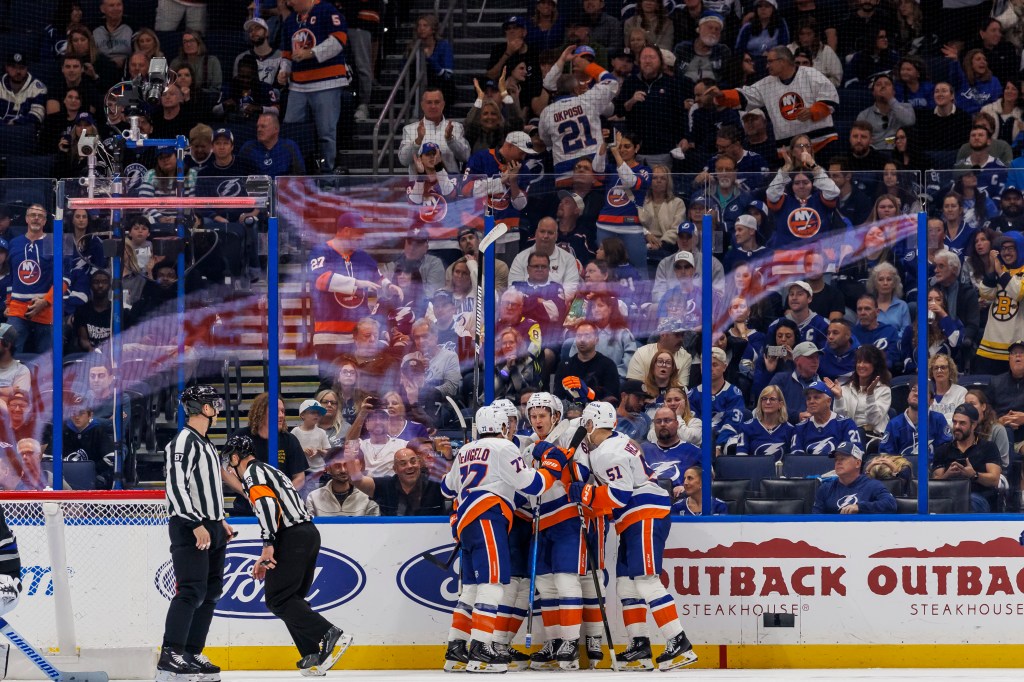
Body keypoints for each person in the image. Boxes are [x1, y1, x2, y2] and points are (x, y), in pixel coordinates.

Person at [439, 405, 571, 673]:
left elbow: (446, 488)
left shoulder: (465, 450)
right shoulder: (504, 447)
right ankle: (480, 648)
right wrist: (552, 466)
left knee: (473, 588)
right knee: (494, 583)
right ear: (501, 427)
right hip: (488, 516)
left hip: (466, 522)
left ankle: (456, 648)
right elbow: (533, 485)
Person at [568, 401, 697, 671]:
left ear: (591, 425)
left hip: (644, 514)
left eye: (585, 426)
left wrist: (585, 494)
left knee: (647, 581)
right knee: (627, 584)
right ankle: (640, 645)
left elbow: (618, 495)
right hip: (631, 518)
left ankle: (679, 642)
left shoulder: (608, 453)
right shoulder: (616, 440)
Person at [220, 435, 352, 674]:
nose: (231, 467)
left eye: (230, 461)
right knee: (291, 599)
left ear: (237, 457)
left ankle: (328, 633)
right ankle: (313, 654)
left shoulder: (252, 473)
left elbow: (268, 506)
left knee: (278, 599)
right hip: (305, 534)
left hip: (291, 537)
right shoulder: (270, 470)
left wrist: (267, 544)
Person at [158, 386, 233, 682]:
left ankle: (191, 651)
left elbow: (210, 490)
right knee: (191, 590)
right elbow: (175, 486)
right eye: (213, 402)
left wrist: (219, 520)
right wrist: (195, 523)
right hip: (190, 524)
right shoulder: (183, 441)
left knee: (211, 592)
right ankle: (171, 651)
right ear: (202, 408)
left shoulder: (206, 445)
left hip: (211, 524)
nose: (218, 406)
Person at [709, 45, 837, 154]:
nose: (767, 66)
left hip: (821, 143)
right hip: (789, 150)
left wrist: (812, 111)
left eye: (770, 61)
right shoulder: (767, 83)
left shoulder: (811, 74)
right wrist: (722, 95)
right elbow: (745, 96)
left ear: (783, 61)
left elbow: (830, 98)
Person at [277, 0, 352, 173]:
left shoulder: (327, 10)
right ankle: (296, 171)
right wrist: (284, 70)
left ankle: (327, 173)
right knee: (291, 129)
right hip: (298, 85)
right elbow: (287, 53)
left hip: (327, 82)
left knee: (326, 133)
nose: (289, 3)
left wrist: (311, 53)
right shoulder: (291, 21)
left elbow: (339, 41)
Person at [539, 46, 620, 185]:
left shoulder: (547, 112)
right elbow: (612, 83)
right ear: (576, 88)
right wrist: (590, 67)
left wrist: (562, 60)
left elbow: (545, 141)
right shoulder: (588, 99)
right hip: (593, 169)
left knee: (567, 205)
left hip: (563, 175)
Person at [932, 403, 1002, 512]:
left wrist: (974, 475)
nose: (956, 427)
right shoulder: (943, 450)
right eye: (954, 422)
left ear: (973, 425)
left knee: (969, 501)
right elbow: (935, 483)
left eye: (962, 423)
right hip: (949, 496)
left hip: (978, 496)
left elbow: (994, 479)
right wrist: (947, 475)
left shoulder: (988, 447)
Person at [397, 88, 470, 176]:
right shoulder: (410, 129)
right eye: (429, 102)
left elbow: (466, 157)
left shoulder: (456, 127)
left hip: (450, 185)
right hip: (420, 186)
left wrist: (451, 139)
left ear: (443, 104)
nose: (433, 106)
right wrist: (418, 141)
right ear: (422, 105)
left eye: (437, 102)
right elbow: (404, 161)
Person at [811, 442, 897, 513]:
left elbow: (891, 504)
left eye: (843, 458)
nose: (838, 462)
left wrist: (860, 507)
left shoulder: (873, 485)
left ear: (858, 463)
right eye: (836, 459)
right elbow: (814, 519)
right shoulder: (825, 488)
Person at [826, 344, 893, 435]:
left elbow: (874, 421)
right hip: (851, 435)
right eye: (859, 361)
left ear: (875, 365)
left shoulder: (884, 390)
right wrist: (839, 398)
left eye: (866, 362)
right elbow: (841, 420)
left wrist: (870, 395)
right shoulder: (845, 388)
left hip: (874, 436)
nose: (861, 365)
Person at [789, 380, 862, 456]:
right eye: (808, 398)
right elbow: (796, 458)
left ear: (828, 401)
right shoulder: (800, 427)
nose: (811, 401)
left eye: (816, 397)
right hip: (808, 467)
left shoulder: (846, 424)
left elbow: (856, 455)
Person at [880, 382, 952, 457]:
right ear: (908, 397)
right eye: (914, 390)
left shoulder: (938, 419)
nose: (917, 393)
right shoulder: (894, 424)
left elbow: (946, 448)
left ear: (931, 401)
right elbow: (885, 454)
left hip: (931, 467)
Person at [642, 406, 701, 494]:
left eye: (667, 420)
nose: (662, 424)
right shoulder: (642, 450)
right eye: (658, 421)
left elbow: (708, 478)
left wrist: (688, 487)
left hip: (679, 501)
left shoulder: (694, 452)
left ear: (677, 423)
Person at [306, 452, 380, 517]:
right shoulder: (313, 497)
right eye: (337, 466)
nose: (343, 470)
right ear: (327, 469)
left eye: (346, 465)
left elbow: (374, 528)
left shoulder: (367, 497)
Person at [237, 113, 305, 178]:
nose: (259, 130)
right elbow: (239, 175)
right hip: (255, 188)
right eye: (258, 127)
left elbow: (300, 174)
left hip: (282, 188)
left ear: (276, 129)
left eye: (263, 126)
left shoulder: (290, 146)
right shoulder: (248, 147)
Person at [929, 354, 968, 426]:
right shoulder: (926, 394)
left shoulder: (961, 392)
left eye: (943, 367)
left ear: (950, 371)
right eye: (936, 368)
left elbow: (959, 421)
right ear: (932, 372)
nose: (939, 370)